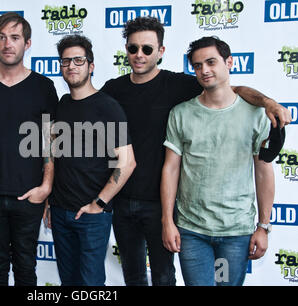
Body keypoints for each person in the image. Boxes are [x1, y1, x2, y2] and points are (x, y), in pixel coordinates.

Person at [100, 16, 291, 286]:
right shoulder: (113, 90)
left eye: (147, 49)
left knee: (165, 277)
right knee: (132, 275)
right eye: (133, 48)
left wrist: (268, 102)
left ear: (161, 51)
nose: (139, 55)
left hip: (161, 206)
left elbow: (231, 90)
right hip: (122, 202)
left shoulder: (181, 86)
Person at [160, 36, 276, 286]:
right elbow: (170, 169)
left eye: (211, 62)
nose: (204, 70)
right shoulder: (181, 114)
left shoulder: (255, 113)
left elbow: (264, 171)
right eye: (198, 66)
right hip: (192, 232)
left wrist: (263, 227)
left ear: (229, 62)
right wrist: (167, 221)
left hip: (236, 232)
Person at [0, 12, 58, 286]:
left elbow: (50, 142)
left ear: (27, 44)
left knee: (26, 268)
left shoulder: (43, 87)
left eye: (15, 38)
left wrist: (46, 186)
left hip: (29, 196)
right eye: (2, 37)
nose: (7, 44)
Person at [46, 34, 136, 286]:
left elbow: (127, 162)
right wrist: (50, 201)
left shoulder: (108, 107)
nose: (71, 66)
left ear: (91, 66)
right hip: (60, 212)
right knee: (69, 282)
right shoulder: (62, 104)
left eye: (78, 60)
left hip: (92, 215)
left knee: (91, 283)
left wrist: (99, 203)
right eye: (65, 62)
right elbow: (54, 153)